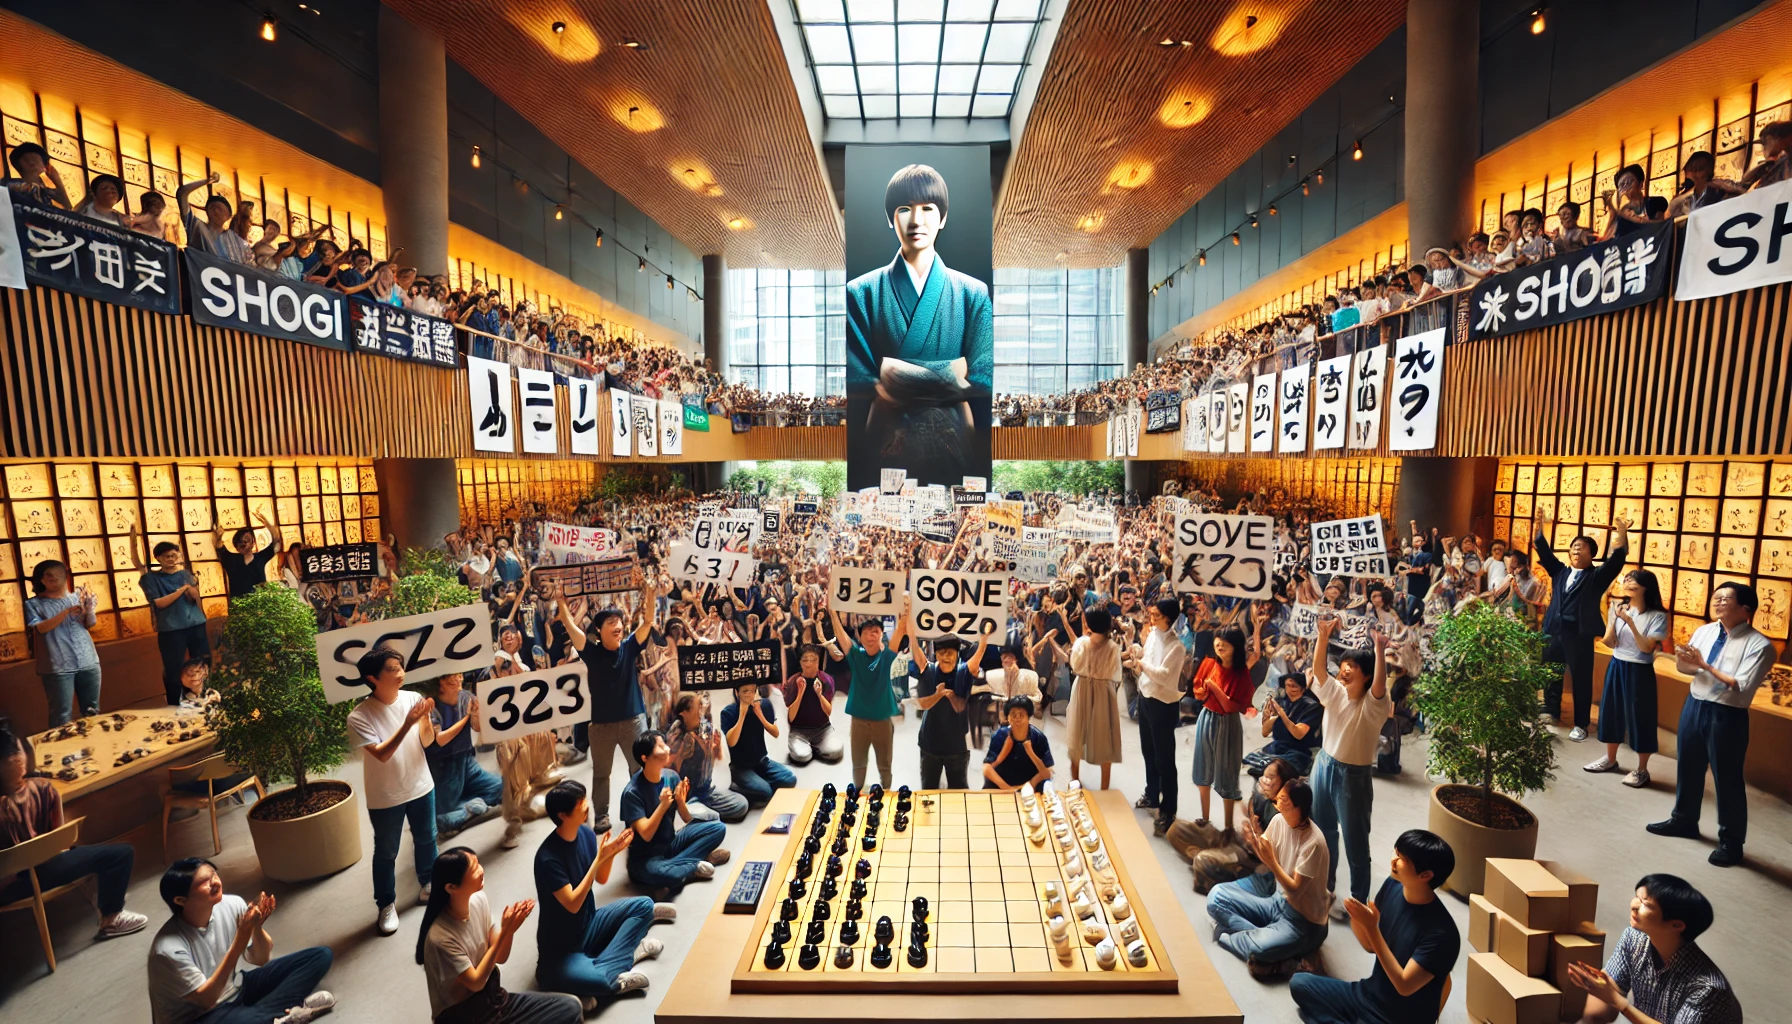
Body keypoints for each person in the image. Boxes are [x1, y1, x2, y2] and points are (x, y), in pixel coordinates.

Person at [844, 163, 994, 489]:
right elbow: (858, 377)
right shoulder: (860, 292)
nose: (916, 220)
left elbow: (983, 375)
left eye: (927, 208)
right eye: (904, 209)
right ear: (890, 218)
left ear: (943, 218)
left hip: (954, 443)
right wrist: (950, 373)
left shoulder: (972, 293)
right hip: (887, 443)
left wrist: (896, 375)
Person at [1647, 582, 1775, 867]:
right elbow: (1684, 667)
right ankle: (1684, 821)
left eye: (1726, 599)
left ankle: (1731, 842)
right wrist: (1696, 665)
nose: (1718, 602)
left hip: (1727, 715)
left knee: (1726, 778)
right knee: (1688, 766)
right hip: (1694, 704)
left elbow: (1739, 685)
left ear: (1746, 609)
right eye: (1716, 597)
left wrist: (1703, 666)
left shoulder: (1760, 645)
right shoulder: (1705, 631)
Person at [1289, 829, 1459, 1024]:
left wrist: (1371, 927)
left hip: (1395, 1019)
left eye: (1402, 859)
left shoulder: (1442, 934)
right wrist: (1356, 916)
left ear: (1426, 875)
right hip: (1366, 995)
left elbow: (1403, 984)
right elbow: (1369, 946)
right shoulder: (1393, 885)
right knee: (1300, 984)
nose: (1393, 861)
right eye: (1396, 852)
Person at [1, 725, 148, 941]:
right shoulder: (43, 788)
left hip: (7, 888)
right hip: (37, 873)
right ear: (22, 757)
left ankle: (105, 897)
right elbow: (61, 843)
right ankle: (111, 918)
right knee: (121, 854)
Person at [533, 781, 669, 1009]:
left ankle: (609, 965)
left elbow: (601, 878)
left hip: (590, 923)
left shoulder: (585, 833)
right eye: (580, 804)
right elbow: (573, 903)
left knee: (644, 905)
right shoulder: (548, 859)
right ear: (563, 815)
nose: (587, 806)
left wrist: (611, 854)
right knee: (599, 981)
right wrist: (599, 859)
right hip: (561, 949)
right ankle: (620, 963)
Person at [148, 858, 334, 1024]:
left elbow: (260, 959)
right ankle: (277, 1014)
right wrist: (241, 938)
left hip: (236, 989)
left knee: (319, 956)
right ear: (181, 900)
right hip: (200, 1016)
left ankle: (271, 1017)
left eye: (213, 874)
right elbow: (207, 999)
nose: (215, 882)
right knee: (249, 1018)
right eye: (204, 881)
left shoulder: (231, 904)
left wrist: (257, 928)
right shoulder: (167, 950)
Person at [417, 847, 581, 1023]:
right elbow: (476, 982)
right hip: (462, 1016)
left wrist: (508, 931)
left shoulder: (478, 899)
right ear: (451, 887)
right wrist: (505, 932)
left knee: (572, 1007)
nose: (481, 870)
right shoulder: (440, 937)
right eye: (474, 869)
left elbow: (501, 956)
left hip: (494, 1000)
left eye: (478, 863)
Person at [346, 647, 438, 936]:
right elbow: (382, 754)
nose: (400, 673)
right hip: (386, 796)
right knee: (386, 852)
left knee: (427, 838)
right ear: (372, 678)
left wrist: (423, 722)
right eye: (393, 669)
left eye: (401, 667)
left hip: (421, 784)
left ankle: (428, 884)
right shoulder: (359, 716)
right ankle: (386, 903)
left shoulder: (413, 699)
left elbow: (427, 740)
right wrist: (407, 722)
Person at [1567, 874, 1742, 1024]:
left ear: (1676, 925)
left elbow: (1615, 999)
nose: (1634, 905)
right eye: (1637, 897)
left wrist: (1618, 1002)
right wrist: (1596, 986)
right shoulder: (1633, 938)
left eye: (1646, 904)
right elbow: (1607, 998)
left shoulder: (1708, 989)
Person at [1308, 617, 1393, 918]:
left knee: (1356, 841)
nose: (1344, 669)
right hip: (1323, 766)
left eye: (1352, 667)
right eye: (1343, 664)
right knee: (1323, 831)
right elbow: (1319, 670)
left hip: (1352, 778)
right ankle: (1325, 888)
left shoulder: (1374, 705)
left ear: (1367, 676)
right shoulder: (1334, 692)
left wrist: (1380, 650)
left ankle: (1358, 902)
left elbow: (1381, 687)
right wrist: (1322, 635)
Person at [558, 577, 657, 834]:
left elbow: (647, 621)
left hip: (633, 720)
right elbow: (571, 627)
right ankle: (601, 814)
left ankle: (642, 810)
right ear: (598, 632)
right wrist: (561, 603)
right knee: (601, 773)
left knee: (640, 768)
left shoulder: (630, 648)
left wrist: (652, 591)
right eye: (611, 622)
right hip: (600, 725)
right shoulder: (591, 652)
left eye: (620, 622)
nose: (618, 626)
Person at [1207, 778, 1329, 978]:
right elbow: (1264, 850)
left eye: (1282, 799)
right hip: (1277, 902)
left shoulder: (1314, 843)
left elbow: (1295, 889)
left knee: (1260, 951)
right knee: (1216, 897)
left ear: (1296, 806)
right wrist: (1252, 839)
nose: (1276, 802)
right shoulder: (1279, 821)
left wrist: (1272, 862)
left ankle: (1245, 939)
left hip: (1303, 922)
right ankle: (1271, 940)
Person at [1534, 512, 1632, 740]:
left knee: (1581, 678)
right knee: (1551, 673)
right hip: (1553, 631)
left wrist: (1622, 533)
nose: (1577, 550)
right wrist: (1541, 524)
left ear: (1592, 554)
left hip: (1579, 635)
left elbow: (1617, 559)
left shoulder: (1596, 576)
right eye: (1574, 547)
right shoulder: (1560, 571)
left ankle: (1581, 723)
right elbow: (1542, 548)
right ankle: (1551, 711)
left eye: (1582, 547)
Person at [619, 731, 729, 898]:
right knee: (657, 872)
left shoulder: (671, 776)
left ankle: (678, 872)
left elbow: (686, 818)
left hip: (671, 843)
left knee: (717, 828)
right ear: (644, 758)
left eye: (665, 744)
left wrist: (680, 801)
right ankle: (692, 866)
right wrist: (663, 806)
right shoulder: (632, 793)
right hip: (646, 858)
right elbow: (646, 835)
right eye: (661, 746)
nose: (667, 749)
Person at [1586, 569, 1668, 788]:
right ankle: (1610, 760)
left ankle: (1642, 769)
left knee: (1641, 717)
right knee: (1611, 711)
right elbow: (1610, 642)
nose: (1628, 582)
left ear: (1646, 587)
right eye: (1627, 579)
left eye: (1634, 580)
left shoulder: (1658, 616)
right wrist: (1613, 621)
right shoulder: (1619, 607)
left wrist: (1630, 622)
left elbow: (1646, 648)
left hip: (1639, 669)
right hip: (1617, 663)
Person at [1188, 617, 1261, 835]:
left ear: (1236, 647)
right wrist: (1208, 690)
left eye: (1225, 642)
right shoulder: (1209, 663)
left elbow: (1232, 707)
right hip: (1207, 717)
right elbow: (1198, 691)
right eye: (1217, 640)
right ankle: (1205, 817)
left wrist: (1213, 688)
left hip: (1227, 724)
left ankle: (1228, 826)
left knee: (1228, 773)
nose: (1219, 644)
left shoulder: (1241, 674)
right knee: (1202, 768)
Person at [831, 600, 908, 790]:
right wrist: (832, 612)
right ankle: (857, 794)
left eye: (875, 631)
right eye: (866, 631)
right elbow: (841, 637)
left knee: (885, 765)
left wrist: (905, 613)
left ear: (882, 635)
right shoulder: (856, 655)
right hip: (858, 722)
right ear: (860, 636)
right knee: (858, 763)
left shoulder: (887, 656)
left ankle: (888, 794)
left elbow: (900, 632)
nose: (871, 635)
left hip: (882, 721)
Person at [132, 522, 211, 706]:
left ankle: (204, 697)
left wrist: (193, 594)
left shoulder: (185, 574)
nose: (172, 558)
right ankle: (174, 703)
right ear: (158, 558)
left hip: (195, 625)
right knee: (173, 667)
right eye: (167, 556)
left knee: (204, 663)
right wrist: (180, 591)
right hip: (171, 630)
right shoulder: (152, 578)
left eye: (175, 555)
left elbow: (196, 600)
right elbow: (159, 603)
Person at [1128, 598, 1187, 836]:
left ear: (1169, 619)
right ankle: (1152, 794)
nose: (1152, 618)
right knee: (1148, 751)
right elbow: (1148, 657)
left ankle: (1167, 808)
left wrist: (1141, 663)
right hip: (1146, 698)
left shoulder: (1177, 647)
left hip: (1164, 705)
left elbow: (1162, 675)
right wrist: (1137, 652)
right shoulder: (1153, 634)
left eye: (1157, 615)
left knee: (1165, 760)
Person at [24, 559, 102, 726]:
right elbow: (40, 629)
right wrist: (65, 612)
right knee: (61, 715)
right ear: (41, 580)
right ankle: (61, 751)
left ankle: (93, 748)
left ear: (65, 575)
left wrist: (89, 609)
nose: (53, 579)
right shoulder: (33, 604)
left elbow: (89, 624)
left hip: (88, 660)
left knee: (92, 710)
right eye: (47, 576)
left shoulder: (77, 597)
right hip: (58, 665)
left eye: (56, 574)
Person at [427, 673, 504, 839]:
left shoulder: (467, 697)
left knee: (503, 789)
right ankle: (470, 808)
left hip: (467, 761)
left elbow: (477, 728)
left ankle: (470, 807)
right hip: (443, 768)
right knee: (441, 821)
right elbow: (440, 739)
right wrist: (467, 716)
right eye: (452, 677)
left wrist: (476, 714)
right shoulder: (431, 705)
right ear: (441, 681)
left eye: (459, 675)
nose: (458, 679)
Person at [911, 630, 987, 789]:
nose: (946, 656)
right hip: (929, 744)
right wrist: (938, 695)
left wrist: (984, 636)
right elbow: (923, 705)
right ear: (936, 654)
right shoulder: (929, 670)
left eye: (951, 653)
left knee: (958, 790)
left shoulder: (963, 672)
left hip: (957, 747)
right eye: (942, 652)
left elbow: (960, 707)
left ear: (957, 655)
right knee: (928, 789)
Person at [1066, 608, 1124, 790]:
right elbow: (1116, 674)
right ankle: (1104, 787)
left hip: (1082, 687)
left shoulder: (1081, 643)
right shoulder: (1113, 647)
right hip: (1104, 690)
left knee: (1077, 731)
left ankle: (1075, 781)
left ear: (1088, 624)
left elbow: (1074, 666)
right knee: (1104, 734)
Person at [665, 692, 746, 823]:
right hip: (683, 795)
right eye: (697, 707)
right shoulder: (675, 733)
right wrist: (681, 753)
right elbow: (668, 769)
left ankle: (702, 812)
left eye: (701, 706)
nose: (700, 711)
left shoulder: (705, 727)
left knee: (741, 804)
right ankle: (696, 812)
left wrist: (716, 748)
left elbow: (717, 759)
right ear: (683, 713)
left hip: (705, 791)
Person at [720, 680, 797, 805]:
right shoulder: (728, 712)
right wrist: (742, 715)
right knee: (766, 793)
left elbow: (775, 733)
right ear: (736, 693)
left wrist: (760, 715)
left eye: (752, 691)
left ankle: (758, 782)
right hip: (741, 766)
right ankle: (737, 785)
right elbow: (731, 742)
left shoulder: (764, 705)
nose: (749, 695)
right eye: (745, 691)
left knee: (790, 779)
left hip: (762, 761)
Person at [1247, 673, 1323, 779]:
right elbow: (1265, 732)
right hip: (1277, 747)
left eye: (1294, 686)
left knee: (1277, 770)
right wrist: (1268, 717)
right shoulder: (1281, 702)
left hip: (1297, 751)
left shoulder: (1311, 706)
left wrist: (1282, 714)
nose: (1290, 689)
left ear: (1302, 688)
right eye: (1288, 685)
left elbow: (1298, 734)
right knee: (1257, 765)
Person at [781, 644, 844, 765]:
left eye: (813, 660)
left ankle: (816, 747)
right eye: (805, 660)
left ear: (818, 661)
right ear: (800, 662)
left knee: (836, 751)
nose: (809, 664)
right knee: (801, 756)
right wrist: (800, 693)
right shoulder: (793, 681)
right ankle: (811, 749)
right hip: (799, 731)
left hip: (823, 729)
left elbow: (828, 711)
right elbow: (791, 718)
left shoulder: (826, 679)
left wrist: (819, 694)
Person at [176, 173, 253, 263]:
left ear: (227, 217)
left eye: (221, 210)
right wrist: (207, 181)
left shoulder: (231, 239)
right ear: (207, 211)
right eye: (213, 208)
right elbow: (181, 194)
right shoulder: (197, 227)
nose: (216, 211)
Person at [981, 695, 1053, 790]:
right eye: (1013, 715)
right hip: (1002, 787)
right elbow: (986, 768)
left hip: (1030, 788)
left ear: (1029, 717)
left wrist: (1030, 752)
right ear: (1008, 718)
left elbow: (1046, 773)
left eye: (1021, 715)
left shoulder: (1038, 738)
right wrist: (1008, 789)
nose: (1017, 718)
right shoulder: (1000, 735)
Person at [214, 511, 282, 603]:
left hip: (260, 606)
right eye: (241, 541)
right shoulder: (230, 559)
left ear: (253, 543)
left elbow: (276, 543)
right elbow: (219, 547)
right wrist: (219, 536)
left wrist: (267, 524)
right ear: (235, 544)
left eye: (247, 540)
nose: (244, 543)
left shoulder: (260, 557)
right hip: (240, 608)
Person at [1666, 151, 1744, 218]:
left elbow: (1744, 193)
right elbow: (1671, 211)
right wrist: (1689, 192)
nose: (1693, 174)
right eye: (1691, 171)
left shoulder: (1719, 189)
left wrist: (1723, 186)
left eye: (1699, 170)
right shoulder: (1685, 199)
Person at [1739, 120, 1790, 191]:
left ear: (1775, 137)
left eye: (1765, 142)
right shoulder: (1783, 161)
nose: (1764, 149)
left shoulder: (1784, 162)